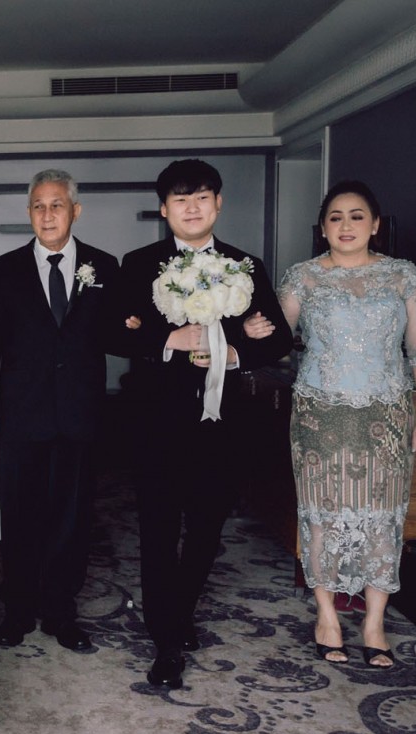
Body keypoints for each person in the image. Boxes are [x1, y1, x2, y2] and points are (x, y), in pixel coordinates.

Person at [114, 158, 292, 690]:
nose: (191, 208)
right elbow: (113, 333)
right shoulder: (139, 264)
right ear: (164, 209)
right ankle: (166, 640)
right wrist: (167, 339)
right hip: (156, 420)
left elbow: (280, 338)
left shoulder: (246, 265)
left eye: (202, 197)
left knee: (207, 528)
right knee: (158, 528)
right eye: (180, 199)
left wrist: (237, 350)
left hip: (223, 422)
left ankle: (180, 611)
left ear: (218, 203)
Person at [275, 180, 416, 668]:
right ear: (323, 228)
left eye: (356, 216)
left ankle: (374, 623)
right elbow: (274, 340)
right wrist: (246, 329)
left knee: (384, 516)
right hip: (319, 415)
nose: (346, 225)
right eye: (335, 217)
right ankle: (326, 615)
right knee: (321, 513)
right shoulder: (302, 277)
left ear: (375, 224)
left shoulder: (403, 276)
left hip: (386, 414)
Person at [0, 169, 121, 652]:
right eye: (38, 206)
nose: (47, 214)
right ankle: (17, 610)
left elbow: (117, 333)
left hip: (79, 413)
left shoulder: (104, 265)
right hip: (22, 413)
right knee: (20, 515)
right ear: (29, 213)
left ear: (75, 211)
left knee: (71, 518)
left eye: (57, 205)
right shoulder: (5, 268)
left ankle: (60, 612)